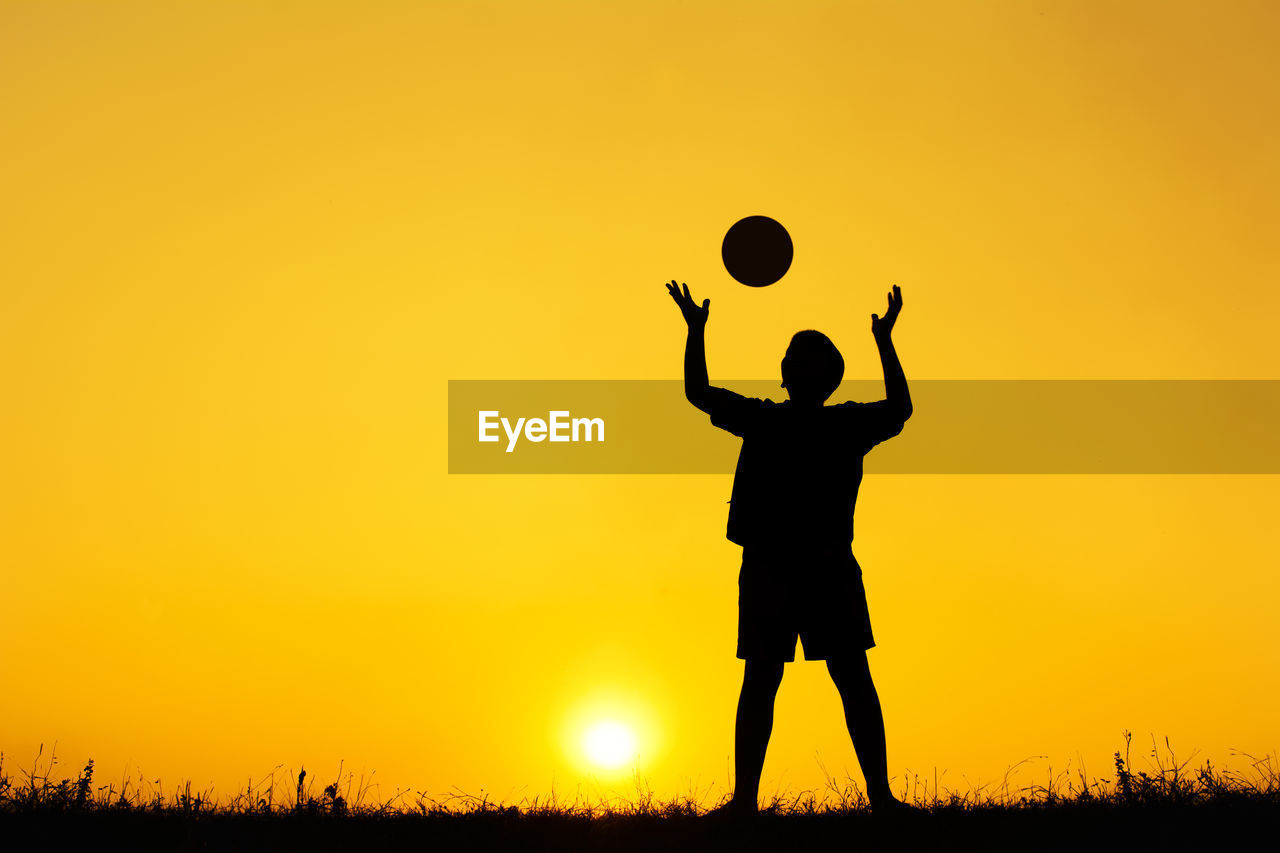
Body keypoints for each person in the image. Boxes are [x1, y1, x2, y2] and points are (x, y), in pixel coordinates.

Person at [665, 279, 914, 815]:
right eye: (791, 355)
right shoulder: (790, 421)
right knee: (770, 678)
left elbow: (899, 407)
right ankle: (749, 802)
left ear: (818, 376)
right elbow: (699, 393)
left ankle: (877, 798)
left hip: (811, 567)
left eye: (801, 357)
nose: (792, 363)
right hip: (781, 567)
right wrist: (694, 331)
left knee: (842, 678)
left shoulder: (813, 423)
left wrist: (885, 341)